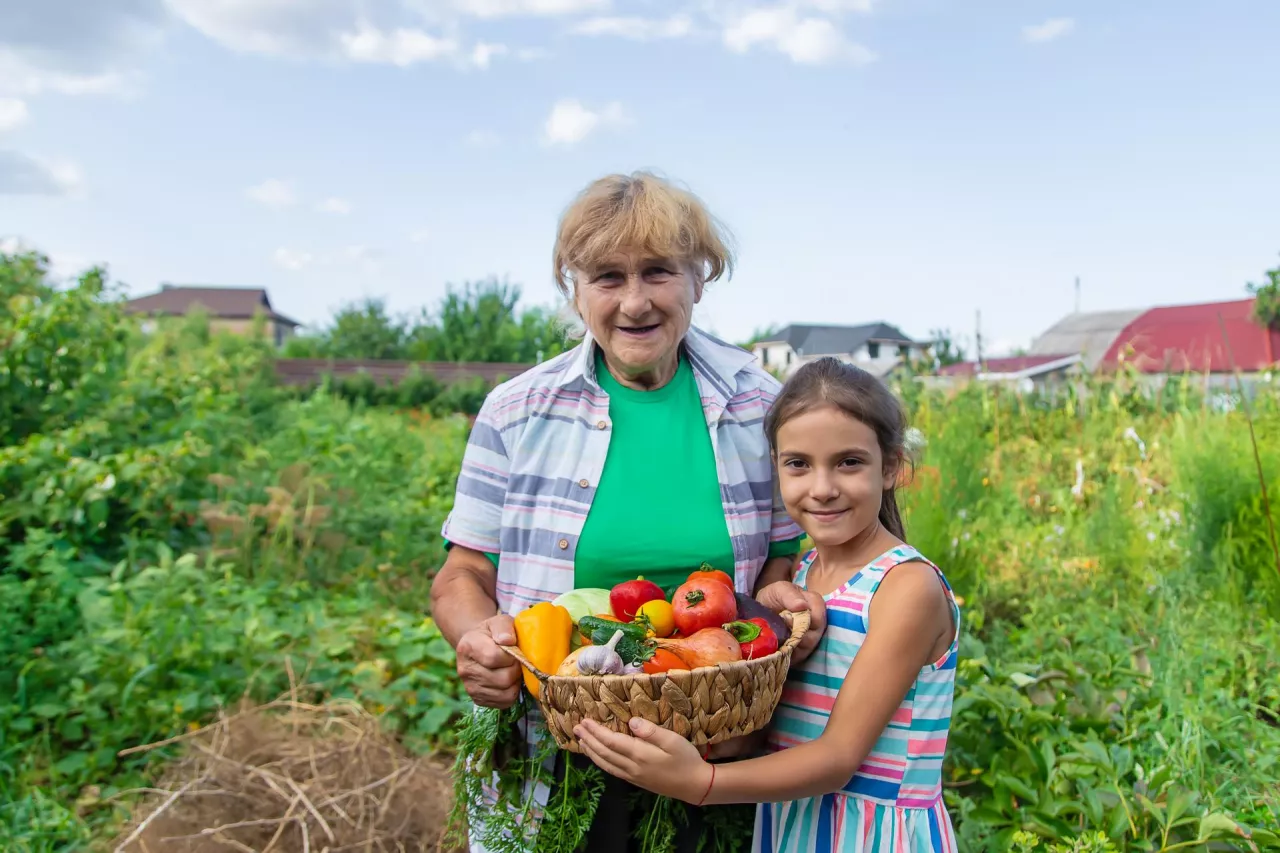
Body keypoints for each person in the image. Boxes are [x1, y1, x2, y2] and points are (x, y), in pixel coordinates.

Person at [429, 170, 827, 852]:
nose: (635, 302)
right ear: (574, 289)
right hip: (554, 758)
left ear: (698, 279)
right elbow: (462, 572)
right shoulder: (517, 411)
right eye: (608, 276)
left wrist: (783, 593)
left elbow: (789, 554)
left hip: (720, 755)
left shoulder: (761, 406)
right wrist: (477, 638)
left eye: (659, 272)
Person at [572, 356, 962, 852]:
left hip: (871, 837)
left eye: (849, 462)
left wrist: (700, 783)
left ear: (890, 467)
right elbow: (786, 726)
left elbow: (839, 756)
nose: (821, 488)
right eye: (797, 464)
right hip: (794, 827)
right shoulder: (803, 574)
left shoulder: (907, 587)